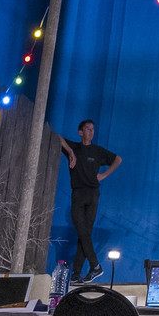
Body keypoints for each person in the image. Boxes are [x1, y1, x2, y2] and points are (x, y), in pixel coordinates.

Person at [58, 118, 120, 282]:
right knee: (82, 232)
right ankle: (95, 266)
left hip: (92, 194)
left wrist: (103, 175)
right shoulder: (75, 148)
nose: (91, 131)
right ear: (80, 132)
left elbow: (118, 159)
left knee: (85, 233)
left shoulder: (97, 151)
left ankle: (77, 274)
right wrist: (70, 152)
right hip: (78, 193)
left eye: (93, 129)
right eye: (87, 129)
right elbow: (56, 136)